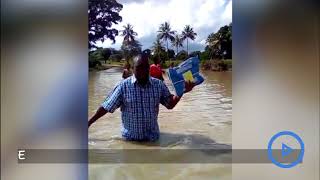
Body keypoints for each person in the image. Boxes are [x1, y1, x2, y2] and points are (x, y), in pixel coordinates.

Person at [88, 54, 195, 141]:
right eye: (139, 68)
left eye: (145, 67)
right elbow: (106, 107)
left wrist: (182, 92)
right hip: (130, 142)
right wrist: (88, 123)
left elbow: (170, 104)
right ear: (133, 69)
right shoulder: (123, 86)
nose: (143, 72)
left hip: (153, 140)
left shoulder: (158, 85)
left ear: (149, 68)